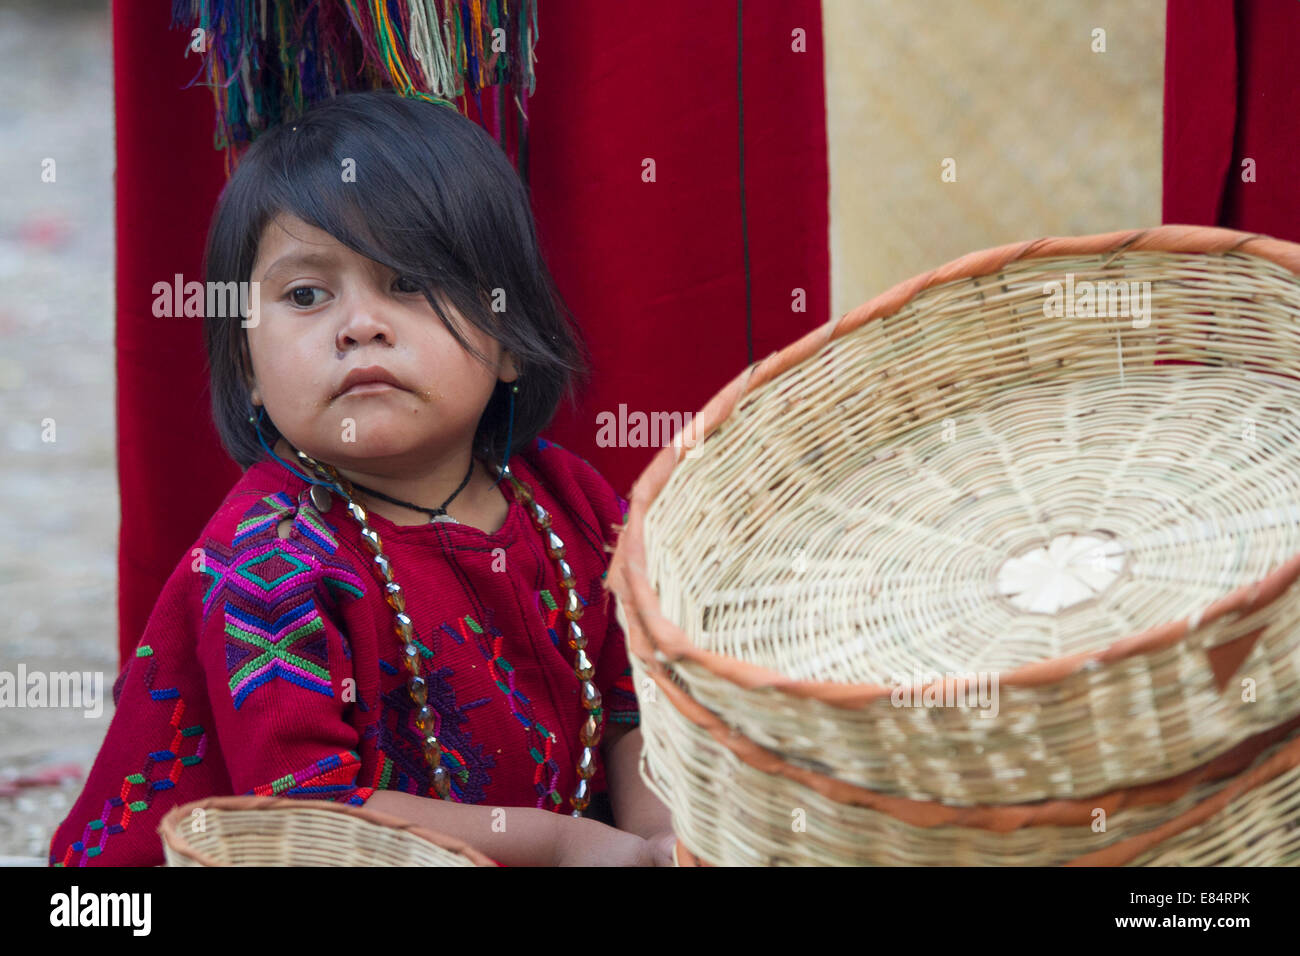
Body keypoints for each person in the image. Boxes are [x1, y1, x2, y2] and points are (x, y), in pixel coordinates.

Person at [49, 89, 675, 867]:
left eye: (410, 283)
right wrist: (561, 844)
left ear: (512, 339)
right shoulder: (267, 564)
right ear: (247, 368)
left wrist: (657, 839)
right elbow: (305, 816)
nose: (359, 325)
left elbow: (635, 706)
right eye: (306, 295)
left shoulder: (570, 505)